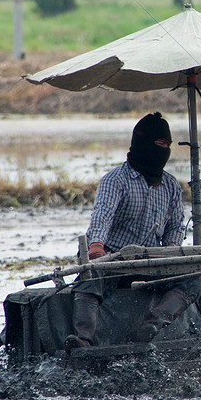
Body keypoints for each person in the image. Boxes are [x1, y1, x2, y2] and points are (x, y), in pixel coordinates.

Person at [64, 112, 191, 350]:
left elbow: (175, 226)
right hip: (115, 261)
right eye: (160, 145)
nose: (165, 150)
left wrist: (172, 250)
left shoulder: (171, 186)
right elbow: (102, 216)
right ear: (143, 144)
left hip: (151, 263)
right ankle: (84, 338)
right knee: (89, 279)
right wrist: (96, 247)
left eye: (168, 146)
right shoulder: (116, 180)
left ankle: (152, 325)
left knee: (195, 276)